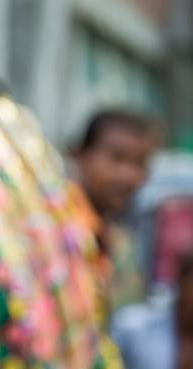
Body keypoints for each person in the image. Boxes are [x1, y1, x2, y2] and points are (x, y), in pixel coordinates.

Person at [69, 110, 153, 310]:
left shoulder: (117, 241)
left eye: (139, 163)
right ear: (81, 155)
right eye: (117, 158)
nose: (129, 175)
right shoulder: (55, 225)